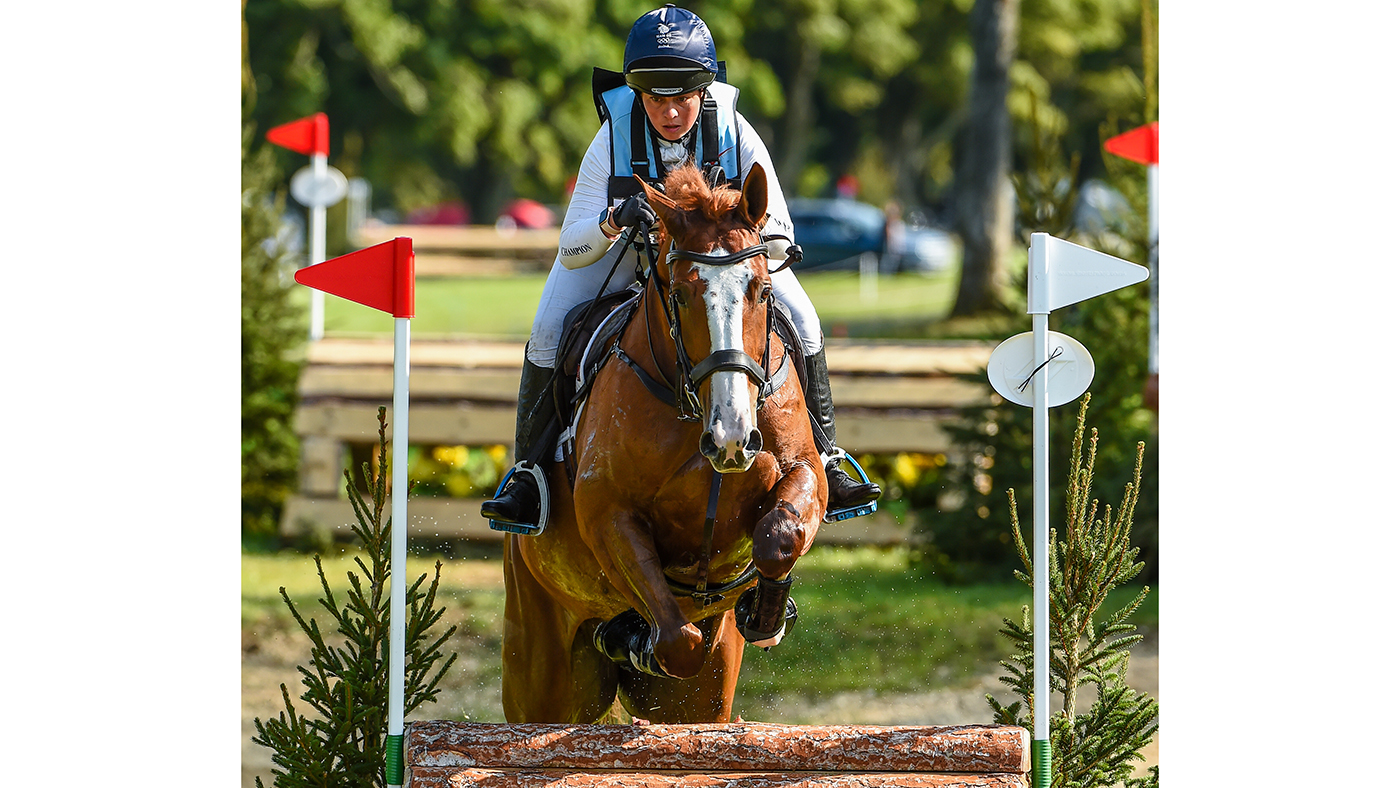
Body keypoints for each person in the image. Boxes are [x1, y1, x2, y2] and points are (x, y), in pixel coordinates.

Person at [482, 4, 881, 530]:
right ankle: (528, 475)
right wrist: (612, 220)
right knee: (549, 329)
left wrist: (735, 242)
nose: (669, 112)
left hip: (719, 266)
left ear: (703, 90)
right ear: (639, 95)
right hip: (625, 257)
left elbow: (781, 233)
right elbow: (570, 248)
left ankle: (828, 456)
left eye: (682, 97)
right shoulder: (612, 136)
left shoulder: (736, 131)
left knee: (805, 320)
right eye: (655, 98)